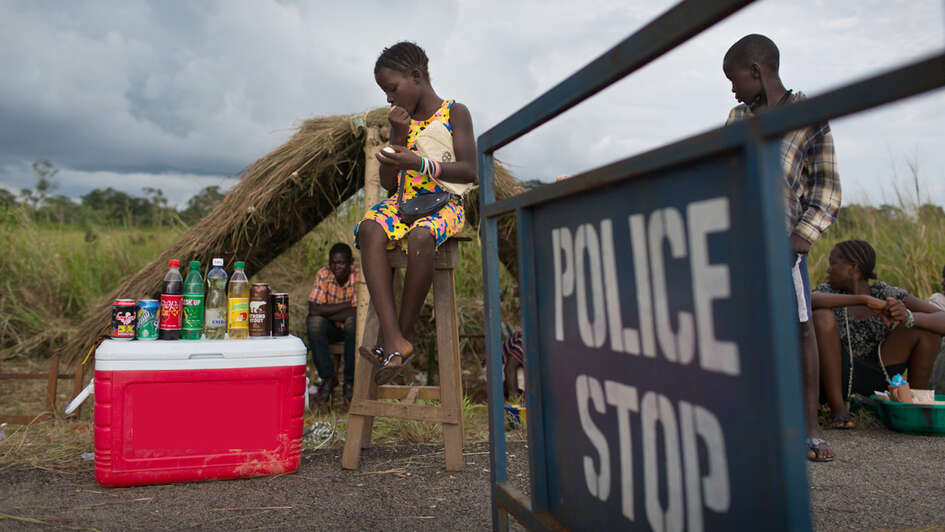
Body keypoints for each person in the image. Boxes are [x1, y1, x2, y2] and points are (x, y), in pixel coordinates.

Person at [723, 34, 842, 462]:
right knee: (743, 330)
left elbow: (826, 188)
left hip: (785, 244)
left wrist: (800, 239)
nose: (732, 89)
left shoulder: (808, 115)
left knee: (800, 328)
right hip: (741, 241)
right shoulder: (738, 118)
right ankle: (751, 421)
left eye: (734, 78)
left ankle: (809, 429)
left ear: (756, 71)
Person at [354, 42, 477, 384]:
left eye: (392, 89)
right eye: (385, 93)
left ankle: (398, 341)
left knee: (421, 237)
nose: (389, 100)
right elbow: (391, 184)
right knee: (369, 229)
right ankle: (395, 339)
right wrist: (398, 134)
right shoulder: (400, 121)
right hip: (404, 202)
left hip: (444, 203)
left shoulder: (455, 112)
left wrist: (421, 163)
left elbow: (469, 171)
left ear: (416, 76)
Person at [813, 240, 945, 423]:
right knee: (822, 317)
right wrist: (863, 300)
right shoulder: (827, 291)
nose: (828, 269)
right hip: (837, 375)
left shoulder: (885, 292)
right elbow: (809, 301)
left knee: (926, 329)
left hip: (880, 372)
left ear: (853, 268)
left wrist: (908, 317)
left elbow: (942, 319)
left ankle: (912, 407)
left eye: (833, 263)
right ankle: (838, 410)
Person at [307, 243, 359, 404]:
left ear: (350, 263)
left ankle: (349, 381)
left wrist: (327, 311)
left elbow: (358, 311)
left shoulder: (358, 276)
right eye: (334, 263)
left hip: (353, 330)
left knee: (353, 322)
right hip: (331, 329)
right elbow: (314, 309)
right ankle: (328, 378)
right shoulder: (324, 274)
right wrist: (346, 306)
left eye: (341, 263)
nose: (337, 267)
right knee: (314, 322)